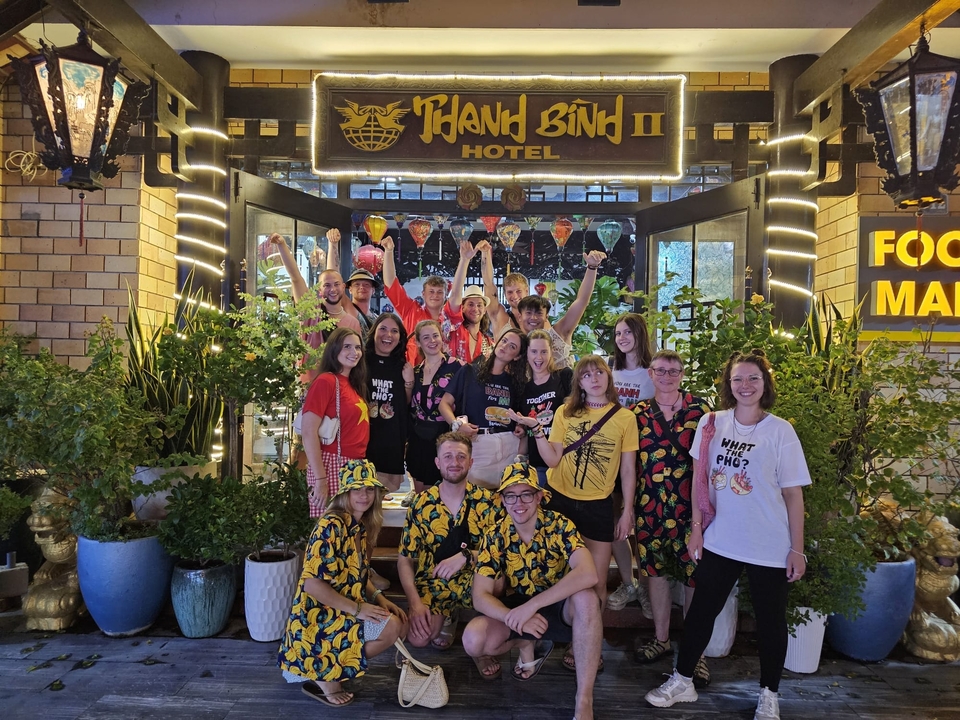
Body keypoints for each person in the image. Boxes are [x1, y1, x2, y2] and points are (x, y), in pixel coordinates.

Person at [645, 349, 810, 720]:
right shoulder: (711, 423)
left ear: (765, 383)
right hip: (721, 539)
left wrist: (797, 549)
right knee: (701, 613)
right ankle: (683, 680)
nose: (745, 385)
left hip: (769, 544)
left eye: (753, 378)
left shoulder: (780, 431)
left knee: (771, 622)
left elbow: (793, 494)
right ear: (728, 384)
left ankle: (769, 694)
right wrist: (697, 529)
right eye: (738, 379)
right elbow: (699, 480)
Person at [508, 354, 637, 674]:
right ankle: (552, 633)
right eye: (586, 375)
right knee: (554, 572)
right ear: (579, 382)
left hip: (597, 505)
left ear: (608, 377)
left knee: (596, 581)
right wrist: (538, 431)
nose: (594, 379)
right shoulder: (565, 412)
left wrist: (627, 511)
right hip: (560, 500)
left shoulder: (625, 418)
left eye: (599, 373)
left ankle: (589, 643)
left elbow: (628, 470)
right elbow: (552, 460)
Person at [463, 462, 602, 720]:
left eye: (526, 494)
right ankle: (526, 641)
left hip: (558, 604)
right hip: (517, 608)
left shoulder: (559, 525)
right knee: (473, 639)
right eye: (511, 495)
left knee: (587, 598)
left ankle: (584, 700)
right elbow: (479, 596)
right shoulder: (495, 535)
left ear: (539, 497)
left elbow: (588, 573)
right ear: (502, 500)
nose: (519, 502)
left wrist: (532, 606)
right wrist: (513, 616)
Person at [278, 459, 408, 708]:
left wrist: (380, 599)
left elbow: (359, 575)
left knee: (399, 623)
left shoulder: (359, 527)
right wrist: (359, 609)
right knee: (391, 627)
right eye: (356, 489)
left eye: (369, 489)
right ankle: (325, 675)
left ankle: (335, 667)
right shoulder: (331, 525)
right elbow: (312, 585)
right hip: (318, 617)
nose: (364, 495)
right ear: (344, 493)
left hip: (343, 609)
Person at [632, 350, 710, 686]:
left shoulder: (700, 411)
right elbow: (629, 464)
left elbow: (708, 463)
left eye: (673, 371)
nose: (666, 376)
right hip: (649, 506)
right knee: (656, 573)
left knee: (695, 577)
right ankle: (661, 639)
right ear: (650, 374)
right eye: (660, 370)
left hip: (689, 510)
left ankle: (696, 653)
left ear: (682, 374)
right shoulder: (637, 413)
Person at [398, 432, 500, 652]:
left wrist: (467, 556)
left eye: (461, 457)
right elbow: (405, 558)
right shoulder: (421, 503)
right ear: (437, 462)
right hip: (434, 581)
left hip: (475, 580)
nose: (455, 462)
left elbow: (501, 552)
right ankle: (447, 613)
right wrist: (414, 603)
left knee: (499, 581)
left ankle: (484, 633)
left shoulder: (488, 501)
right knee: (419, 638)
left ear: (470, 462)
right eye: (448, 457)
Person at [607, 312, 657, 615]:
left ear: (640, 334)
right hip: (613, 458)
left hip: (647, 458)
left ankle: (650, 590)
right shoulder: (609, 371)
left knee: (645, 527)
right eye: (618, 333)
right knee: (616, 523)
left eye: (627, 332)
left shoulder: (653, 373)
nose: (622, 338)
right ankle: (629, 583)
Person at [438, 328, 528, 489]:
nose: (505, 346)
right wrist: (457, 425)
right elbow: (444, 404)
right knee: (475, 497)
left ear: (517, 356)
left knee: (507, 498)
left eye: (512, 346)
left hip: (508, 444)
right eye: (504, 341)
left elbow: (518, 414)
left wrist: (520, 426)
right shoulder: (469, 371)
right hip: (478, 443)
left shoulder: (514, 382)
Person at [269, 231, 361, 383]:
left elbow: (356, 361)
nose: (332, 289)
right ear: (319, 289)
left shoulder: (352, 322)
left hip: (340, 386)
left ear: (343, 287)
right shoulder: (311, 312)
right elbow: (295, 277)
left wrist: (333, 244)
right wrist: (282, 245)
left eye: (336, 284)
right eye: (327, 285)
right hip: (310, 385)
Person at [300, 327, 369, 518]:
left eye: (357, 347)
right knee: (331, 528)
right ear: (334, 349)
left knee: (349, 527)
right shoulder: (326, 381)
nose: (354, 352)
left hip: (355, 465)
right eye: (347, 346)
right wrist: (321, 478)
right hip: (332, 464)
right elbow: (308, 431)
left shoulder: (353, 384)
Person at [514, 249, 606, 369]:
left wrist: (592, 267)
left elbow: (582, 301)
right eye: (528, 313)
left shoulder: (560, 333)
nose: (533, 317)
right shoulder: (517, 345)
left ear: (546, 316)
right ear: (520, 316)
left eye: (539, 313)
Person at [381, 233, 457, 365]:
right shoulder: (411, 310)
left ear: (446, 295)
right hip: (411, 372)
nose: (435, 295)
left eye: (440, 292)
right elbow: (391, 284)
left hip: (443, 373)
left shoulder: (450, 319)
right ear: (423, 294)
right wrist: (388, 251)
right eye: (431, 291)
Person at [407, 319, 463, 493]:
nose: (432, 341)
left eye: (435, 336)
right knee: (420, 493)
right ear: (418, 342)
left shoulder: (458, 367)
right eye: (426, 337)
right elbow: (410, 406)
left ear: (441, 337)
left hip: (445, 436)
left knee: (441, 492)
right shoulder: (415, 371)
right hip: (418, 438)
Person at [515, 329, 573, 488]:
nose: (539, 357)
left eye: (543, 352)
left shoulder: (564, 377)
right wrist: (520, 459)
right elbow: (525, 431)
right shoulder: (523, 389)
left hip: (565, 462)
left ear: (551, 352)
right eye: (534, 351)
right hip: (537, 465)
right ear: (527, 353)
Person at [364, 313, 414, 493]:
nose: (388, 335)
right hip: (363, 444)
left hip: (391, 442)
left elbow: (404, 405)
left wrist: (409, 383)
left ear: (400, 337)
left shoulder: (403, 366)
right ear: (374, 332)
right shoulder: (360, 362)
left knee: (381, 497)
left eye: (394, 331)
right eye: (383, 329)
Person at [326, 229, 381, 338]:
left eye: (366, 284)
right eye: (357, 284)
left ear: (373, 290)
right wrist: (333, 244)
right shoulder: (348, 307)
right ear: (349, 289)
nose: (361, 287)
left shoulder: (377, 319)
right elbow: (332, 277)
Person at [445, 240, 493, 363]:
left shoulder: (489, 343)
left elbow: (489, 283)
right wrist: (464, 260)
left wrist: (486, 254)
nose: (475, 309)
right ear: (462, 308)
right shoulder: (453, 330)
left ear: (485, 310)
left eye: (479, 305)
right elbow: (455, 294)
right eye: (470, 304)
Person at [479, 239, 529, 337]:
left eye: (518, 291)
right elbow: (488, 283)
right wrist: (485, 253)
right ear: (505, 295)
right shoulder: (499, 314)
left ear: (526, 291)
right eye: (510, 292)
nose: (514, 296)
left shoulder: (535, 318)